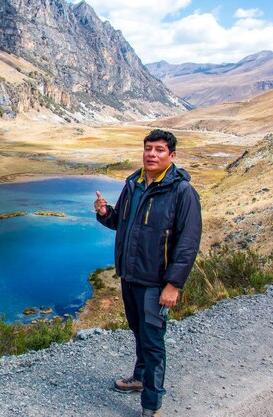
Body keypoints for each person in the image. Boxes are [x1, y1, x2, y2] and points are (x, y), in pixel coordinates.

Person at [94, 129, 202, 417]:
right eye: (148, 148)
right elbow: (123, 223)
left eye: (159, 150)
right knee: (138, 331)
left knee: (153, 341)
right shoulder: (134, 183)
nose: (152, 154)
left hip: (156, 283)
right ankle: (140, 378)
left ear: (172, 155)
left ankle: (152, 406)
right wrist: (105, 214)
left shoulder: (182, 191)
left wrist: (173, 285)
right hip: (130, 276)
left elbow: (188, 242)